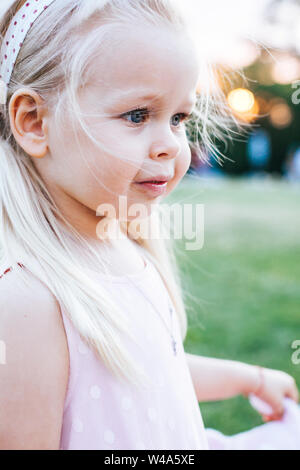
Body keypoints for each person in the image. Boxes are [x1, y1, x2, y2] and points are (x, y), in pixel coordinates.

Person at [0, 0, 298, 451]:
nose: (171, 147)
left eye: (179, 119)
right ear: (34, 121)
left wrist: (248, 378)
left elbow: (147, 374)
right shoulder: (28, 302)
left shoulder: (124, 245)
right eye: (138, 115)